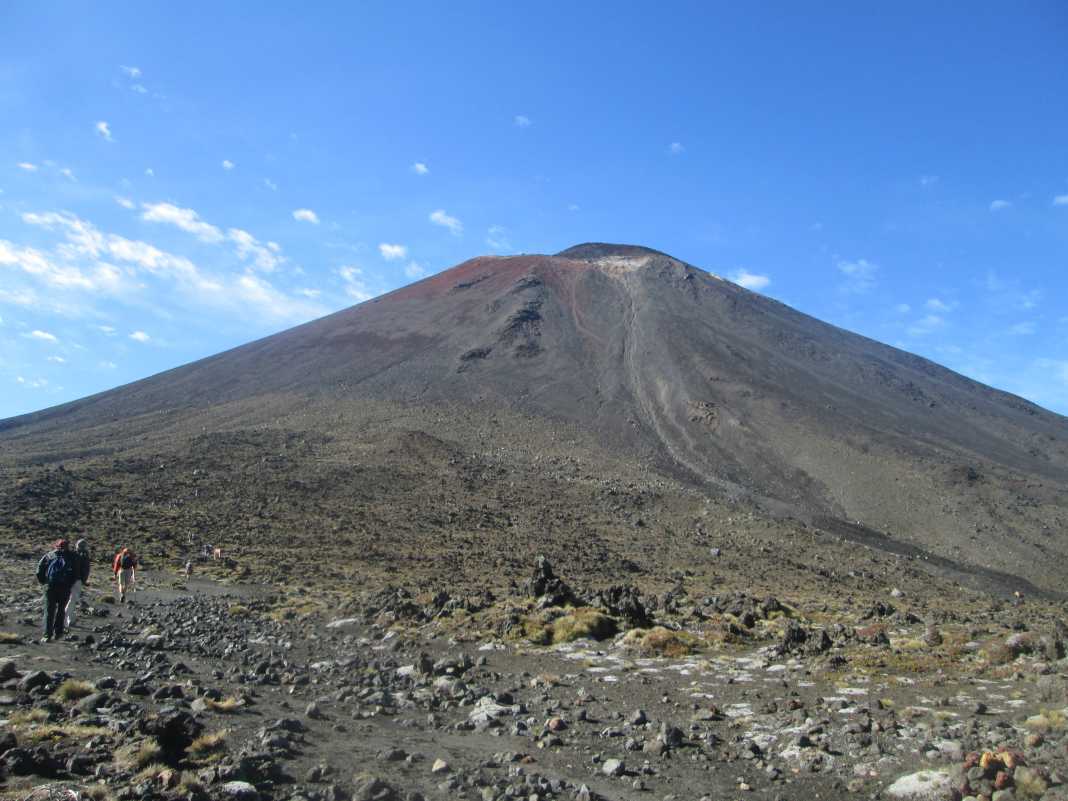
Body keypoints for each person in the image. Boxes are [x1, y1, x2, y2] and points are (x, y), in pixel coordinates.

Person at [36, 539, 76, 642]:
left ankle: (47, 635)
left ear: (56, 545)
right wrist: (69, 584)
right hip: (64, 587)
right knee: (61, 609)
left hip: (50, 586)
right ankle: (58, 632)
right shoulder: (72, 556)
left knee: (49, 611)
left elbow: (39, 569)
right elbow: (76, 573)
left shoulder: (49, 555)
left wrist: (44, 582)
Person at [64, 539, 91, 628]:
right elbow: (85, 570)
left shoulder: (71, 554)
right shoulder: (84, 555)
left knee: (69, 599)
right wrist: (84, 581)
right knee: (73, 600)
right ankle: (65, 619)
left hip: (66, 580)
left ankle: (70, 619)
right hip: (77, 580)